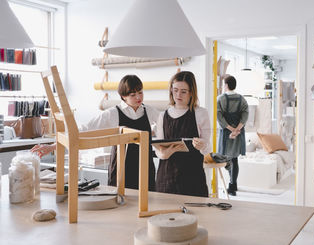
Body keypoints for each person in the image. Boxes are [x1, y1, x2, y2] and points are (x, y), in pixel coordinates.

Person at [31, 75, 159, 191]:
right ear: (123, 96)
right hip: (122, 169)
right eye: (133, 95)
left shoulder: (149, 111)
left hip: (146, 168)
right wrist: (53, 146)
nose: (138, 97)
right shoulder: (112, 113)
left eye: (140, 92)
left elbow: (166, 124)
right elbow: (83, 131)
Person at [154, 71, 211, 197]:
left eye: (184, 91)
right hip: (166, 178)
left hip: (192, 179)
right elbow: (159, 148)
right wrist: (163, 155)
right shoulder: (162, 116)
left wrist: (202, 146)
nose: (178, 95)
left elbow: (208, 149)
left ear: (191, 93)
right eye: (175, 90)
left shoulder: (201, 113)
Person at [217, 75, 248, 196]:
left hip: (226, 133)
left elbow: (219, 116)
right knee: (234, 159)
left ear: (226, 85)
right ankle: (233, 185)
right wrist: (237, 129)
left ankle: (232, 185)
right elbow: (245, 115)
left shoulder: (220, 99)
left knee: (224, 157)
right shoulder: (242, 99)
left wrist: (231, 129)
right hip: (238, 133)